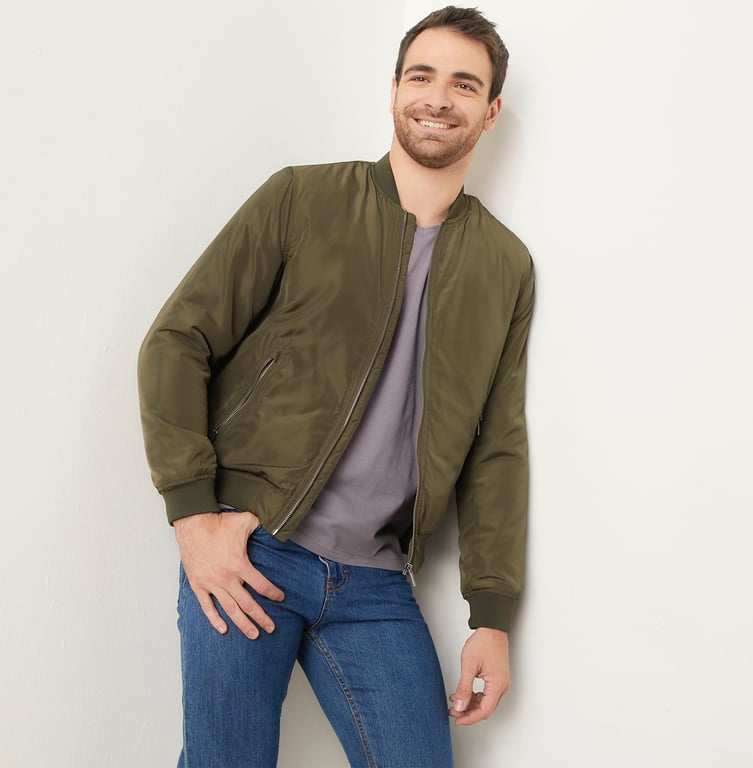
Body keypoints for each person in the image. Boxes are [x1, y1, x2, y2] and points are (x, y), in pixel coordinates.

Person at [138, 6, 534, 767]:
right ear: (394, 90)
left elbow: (497, 448)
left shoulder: (504, 265)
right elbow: (177, 340)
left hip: (377, 586)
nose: (437, 97)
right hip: (254, 549)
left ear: (490, 112)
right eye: (421, 76)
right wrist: (193, 517)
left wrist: (491, 615)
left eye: (464, 84)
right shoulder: (302, 198)